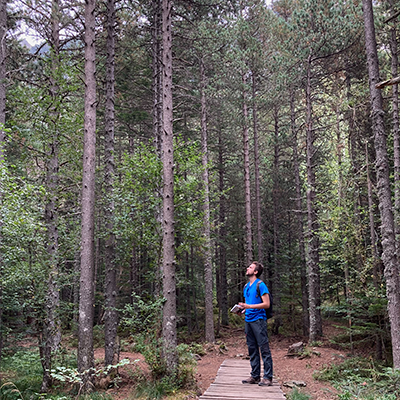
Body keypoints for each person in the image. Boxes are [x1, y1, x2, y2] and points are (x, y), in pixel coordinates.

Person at [238, 261, 273, 386]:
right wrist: (242, 309)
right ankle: (255, 376)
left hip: (258, 320)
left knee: (264, 348)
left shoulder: (260, 285)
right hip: (248, 320)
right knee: (252, 349)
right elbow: (248, 304)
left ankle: (268, 377)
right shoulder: (246, 286)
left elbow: (266, 304)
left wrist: (249, 306)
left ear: (256, 272)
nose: (248, 268)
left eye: (251, 267)